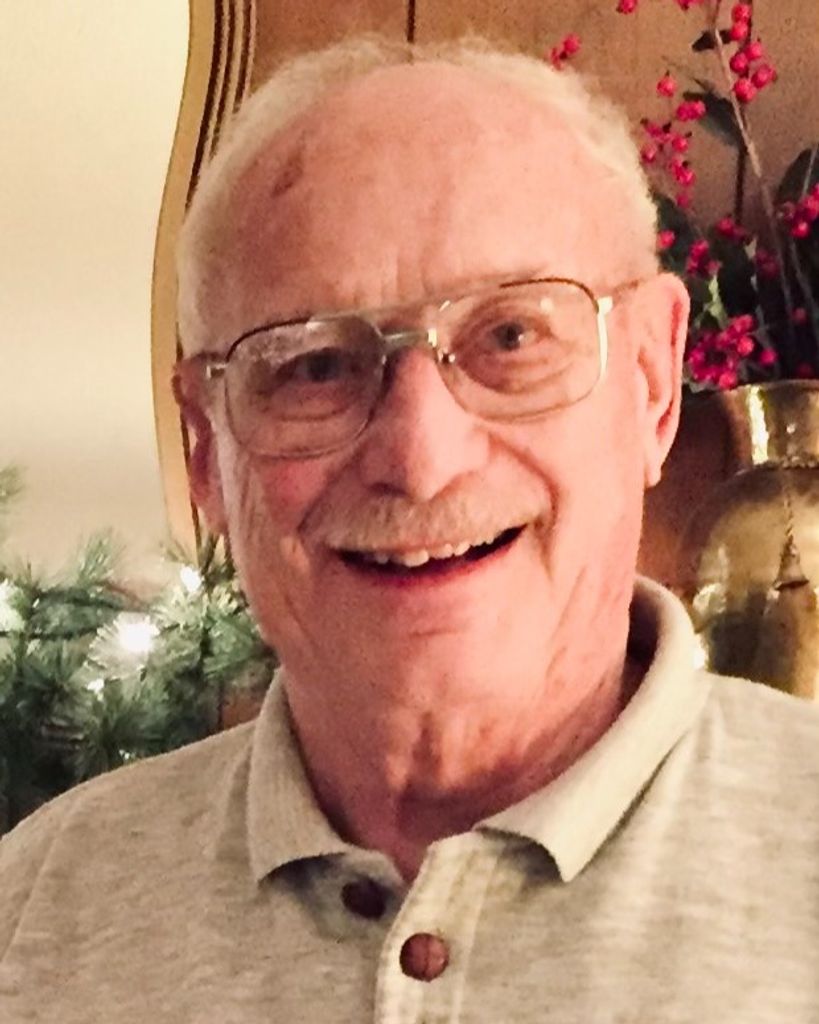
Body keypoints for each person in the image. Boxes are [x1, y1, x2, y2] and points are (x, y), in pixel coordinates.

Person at [2, 35, 819, 1024]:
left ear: (651, 383)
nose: (420, 456)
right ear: (207, 446)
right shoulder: (32, 914)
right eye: (312, 365)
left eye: (510, 335)